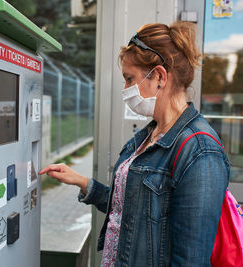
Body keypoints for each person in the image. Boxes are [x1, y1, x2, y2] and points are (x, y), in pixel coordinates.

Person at [39, 21, 230, 266]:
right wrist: (83, 183)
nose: (126, 89)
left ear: (159, 76)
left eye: (130, 79)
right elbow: (131, 208)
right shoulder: (149, 135)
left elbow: (191, 260)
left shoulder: (200, 152)